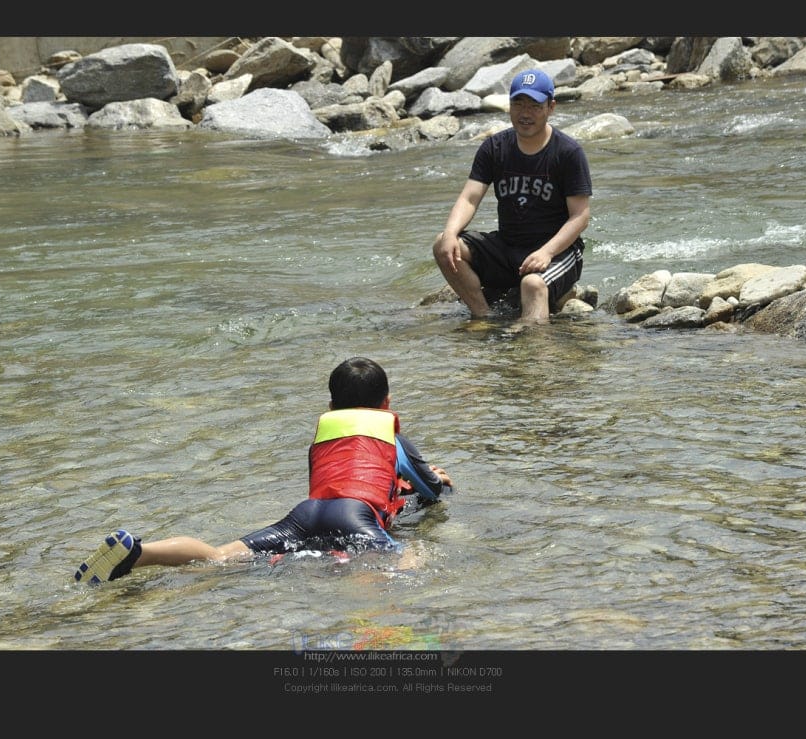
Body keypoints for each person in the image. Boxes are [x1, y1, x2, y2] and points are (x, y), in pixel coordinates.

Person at [74, 356, 454, 584]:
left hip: (307, 514)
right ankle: (376, 602)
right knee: (412, 555)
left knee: (222, 556)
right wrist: (437, 479)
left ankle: (140, 552)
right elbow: (432, 490)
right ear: (386, 403)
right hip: (355, 517)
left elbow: (340, 480)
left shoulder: (323, 438)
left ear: (331, 404)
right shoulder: (394, 439)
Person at [432, 68, 593, 324]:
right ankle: (483, 316)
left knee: (532, 284)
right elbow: (469, 198)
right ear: (509, 107)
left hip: (556, 252)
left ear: (551, 107)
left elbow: (580, 216)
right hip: (507, 248)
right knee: (444, 245)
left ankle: (531, 354)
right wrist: (451, 233)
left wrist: (547, 252)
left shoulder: (568, 152)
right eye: (518, 104)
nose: (525, 113)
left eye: (534, 105)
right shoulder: (494, 148)